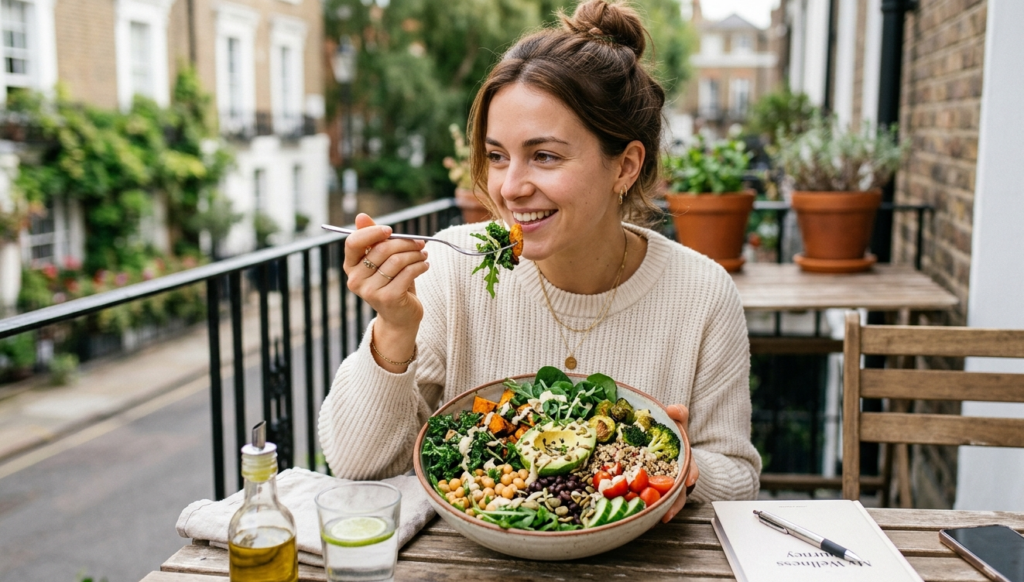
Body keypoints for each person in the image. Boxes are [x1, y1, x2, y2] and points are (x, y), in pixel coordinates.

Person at [318, 0, 761, 519]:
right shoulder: (454, 271)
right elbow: (355, 466)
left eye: (545, 156)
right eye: (498, 155)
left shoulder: (702, 293)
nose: (509, 187)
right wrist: (394, 330)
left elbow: (739, 477)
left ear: (625, 167)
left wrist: (685, 470)